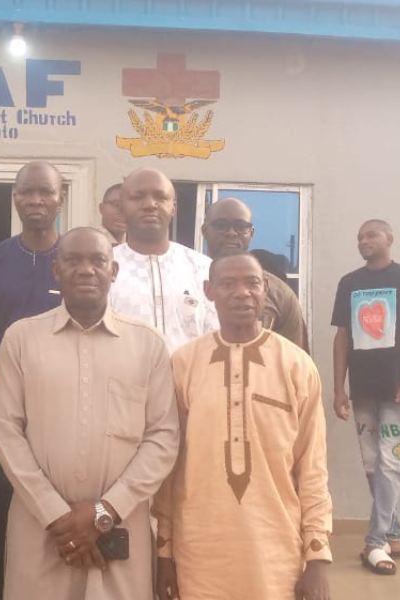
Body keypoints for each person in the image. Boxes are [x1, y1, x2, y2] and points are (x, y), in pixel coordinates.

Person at [0, 227, 178, 599]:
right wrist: (56, 515)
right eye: (73, 261)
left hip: (121, 528)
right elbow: (5, 430)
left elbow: (163, 437)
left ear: (114, 271)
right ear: (56, 271)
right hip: (41, 529)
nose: (86, 270)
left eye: (97, 260)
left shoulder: (148, 344)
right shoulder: (21, 339)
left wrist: (106, 511)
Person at [155, 252, 332, 600]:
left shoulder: (297, 366)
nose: (242, 293)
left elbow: (313, 468)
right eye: (228, 283)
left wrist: (317, 554)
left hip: (276, 552)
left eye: (252, 283)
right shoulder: (183, 365)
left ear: (265, 290)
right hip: (200, 553)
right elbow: (169, 468)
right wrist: (165, 551)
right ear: (209, 291)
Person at [0, 160, 65, 599]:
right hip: (5, 409)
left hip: (65, 403)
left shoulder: (78, 260)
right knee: (3, 518)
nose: (36, 200)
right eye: (27, 192)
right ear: (15, 198)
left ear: (61, 197)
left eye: (45, 192)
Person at [331, 219, 400, 574]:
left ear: (389, 239)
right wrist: (338, 388)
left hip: (398, 391)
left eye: (371, 235)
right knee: (371, 466)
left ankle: (375, 541)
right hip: (362, 390)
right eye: (359, 236)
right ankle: (392, 530)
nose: (363, 240)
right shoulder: (350, 283)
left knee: (391, 463)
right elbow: (343, 337)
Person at [108, 168, 217, 351]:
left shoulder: (203, 268)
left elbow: (217, 338)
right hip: (122, 379)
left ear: (173, 208)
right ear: (122, 208)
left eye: (160, 197)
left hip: (190, 378)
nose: (150, 205)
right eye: (137, 197)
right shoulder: (103, 268)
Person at [202, 197, 307, 349]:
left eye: (240, 226)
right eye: (221, 225)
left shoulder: (279, 293)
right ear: (204, 231)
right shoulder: (182, 280)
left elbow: (295, 359)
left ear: (251, 233)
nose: (231, 233)